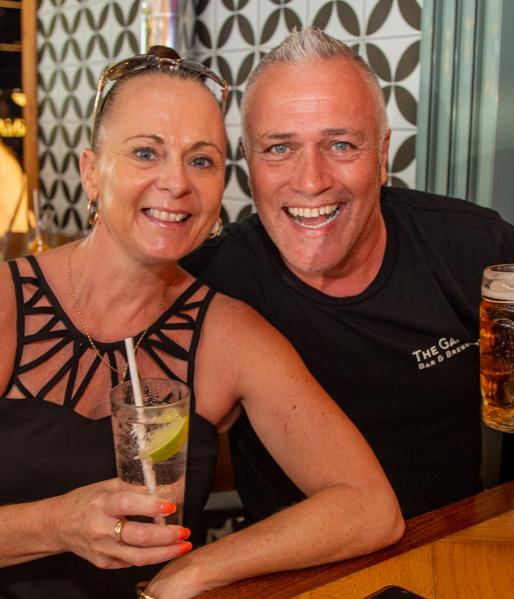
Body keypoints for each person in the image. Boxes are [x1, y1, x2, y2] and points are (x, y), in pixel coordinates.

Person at [0, 46, 403, 599]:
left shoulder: (230, 335)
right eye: (146, 152)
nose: (177, 183)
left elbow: (371, 507)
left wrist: (201, 568)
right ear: (91, 172)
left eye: (202, 160)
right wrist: (57, 524)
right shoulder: (7, 302)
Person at [182, 27, 514, 527]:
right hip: (296, 560)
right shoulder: (210, 281)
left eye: (340, 144)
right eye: (279, 149)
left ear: (382, 156)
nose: (311, 180)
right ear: (248, 163)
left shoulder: (473, 247)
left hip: (448, 544)